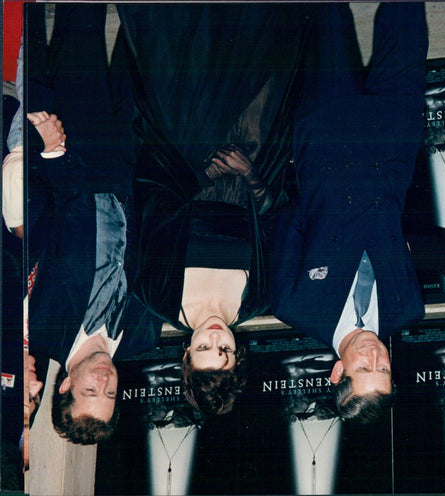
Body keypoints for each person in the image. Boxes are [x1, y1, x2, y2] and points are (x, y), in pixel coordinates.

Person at [120, 3, 314, 415]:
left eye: (204, 348)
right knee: (259, 50)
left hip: (185, 154)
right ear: (237, 352)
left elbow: (150, 212)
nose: (214, 336)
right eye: (223, 348)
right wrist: (250, 175)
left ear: (186, 354)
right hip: (251, 156)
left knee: (191, 47)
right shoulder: (260, 298)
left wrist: (205, 172)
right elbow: (277, 223)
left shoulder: (156, 296)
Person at [270, 3, 428, 424]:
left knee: (328, 15)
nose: (376, 356)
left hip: (328, 129)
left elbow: (289, 217)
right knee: (406, 18)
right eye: (384, 369)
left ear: (338, 371)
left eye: (364, 369)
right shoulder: (408, 307)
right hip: (394, 136)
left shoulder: (294, 306)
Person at [25, 4, 161, 445]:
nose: (105, 379)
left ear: (64, 386)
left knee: (80, 29)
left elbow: (43, 229)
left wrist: (53, 154)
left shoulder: (41, 330)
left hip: (75, 157)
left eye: (90, 390)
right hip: (127, 168)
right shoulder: (143, 337)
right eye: (110, 392)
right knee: (136, 45)